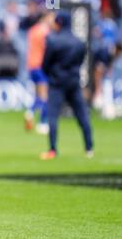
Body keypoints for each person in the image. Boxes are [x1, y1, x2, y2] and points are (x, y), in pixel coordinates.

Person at [40, 11, 94, 160]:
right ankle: (89, 148)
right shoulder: (79, 42)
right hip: (73, 82)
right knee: (82, 114)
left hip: (57, 83)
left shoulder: (52, 40)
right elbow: (81, 61)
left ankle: (52, 149)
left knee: (53, 116)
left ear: (59, 23)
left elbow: (45, 64)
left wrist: (52, 74)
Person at [24, 11, 55, 135]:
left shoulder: (32, 30)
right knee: (45, 95)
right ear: (45, 18)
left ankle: (30, 112)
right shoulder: (45, 32)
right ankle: (42, 122)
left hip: (31, 65)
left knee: (38, 94)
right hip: (41, 65)